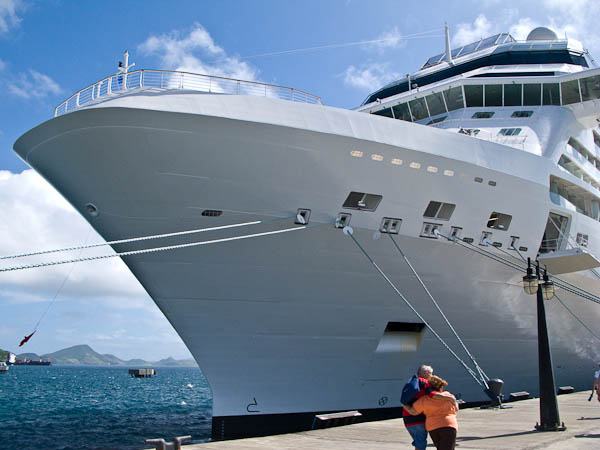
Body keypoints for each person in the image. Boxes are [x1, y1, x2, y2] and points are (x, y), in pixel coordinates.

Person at [402, 365, 457, 450]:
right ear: (425, 373)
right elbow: (432, 395)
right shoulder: (424, 382)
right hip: (418, 419)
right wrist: (450, 398)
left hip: (408, 418)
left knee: (420, 443)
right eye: (430, 373)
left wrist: (404, 405)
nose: (431, 376)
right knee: (421, 445)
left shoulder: (412, 381)